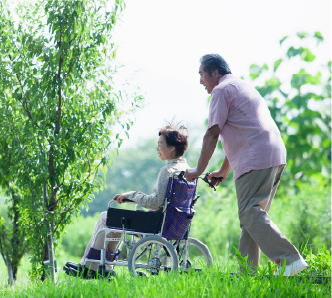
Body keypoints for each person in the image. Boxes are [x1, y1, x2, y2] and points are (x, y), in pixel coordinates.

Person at [184, 54, 307, 276]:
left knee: (250, 214)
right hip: (272, 154)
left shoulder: (221, 90)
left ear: (215, 73)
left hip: (256, 158)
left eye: (202, 74)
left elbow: (212, 134)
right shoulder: (240, 85)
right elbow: (242, 133)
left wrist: (197, 171)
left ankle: (290, 260)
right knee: (252, 218)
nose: (200, 81)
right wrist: (223, 171)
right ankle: (246, 273)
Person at [65, 122, 191, 278]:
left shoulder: (167, 171)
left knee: (106, 217)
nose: (157, 149)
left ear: (172, 148)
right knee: (115, 222)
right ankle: (103, 266)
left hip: (155, 222)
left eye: (160, 145)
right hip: (171, 222)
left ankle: (90, 265)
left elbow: (155, 202)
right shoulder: (185, 169)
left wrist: (131, 195)